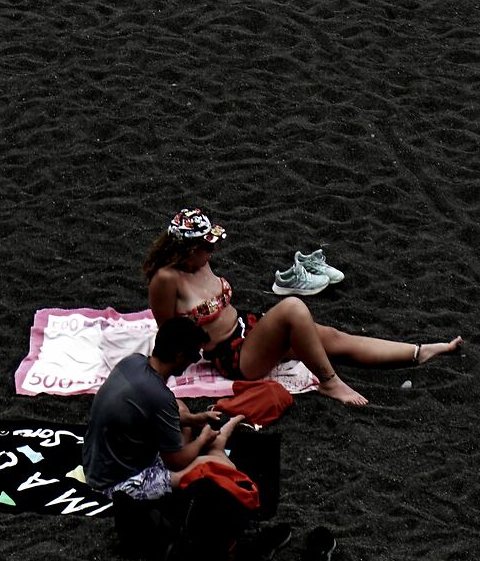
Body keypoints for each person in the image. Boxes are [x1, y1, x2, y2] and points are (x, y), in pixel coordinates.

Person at [144, 207, 460, 410]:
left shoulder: (200, 264)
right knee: (293, 307)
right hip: (233, 356)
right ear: (188, 249)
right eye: (207, 246)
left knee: (332, 337)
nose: (212, 251)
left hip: (247, 330)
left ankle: (420, 352)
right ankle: (329, 381)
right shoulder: (167, 280)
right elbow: (168, 332)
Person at [83, 315, 234, 503]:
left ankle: (185, 443)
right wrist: (203, 439)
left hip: (95, 464)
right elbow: (176, 461)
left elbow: (146, 410)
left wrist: (195, 419)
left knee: (179, 408)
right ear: (180, 356)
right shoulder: (160, 397)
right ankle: (191, 454)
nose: (193, 362)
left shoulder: (133, 361)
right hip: (117, 484)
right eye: (194, 356)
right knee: (211, 465)